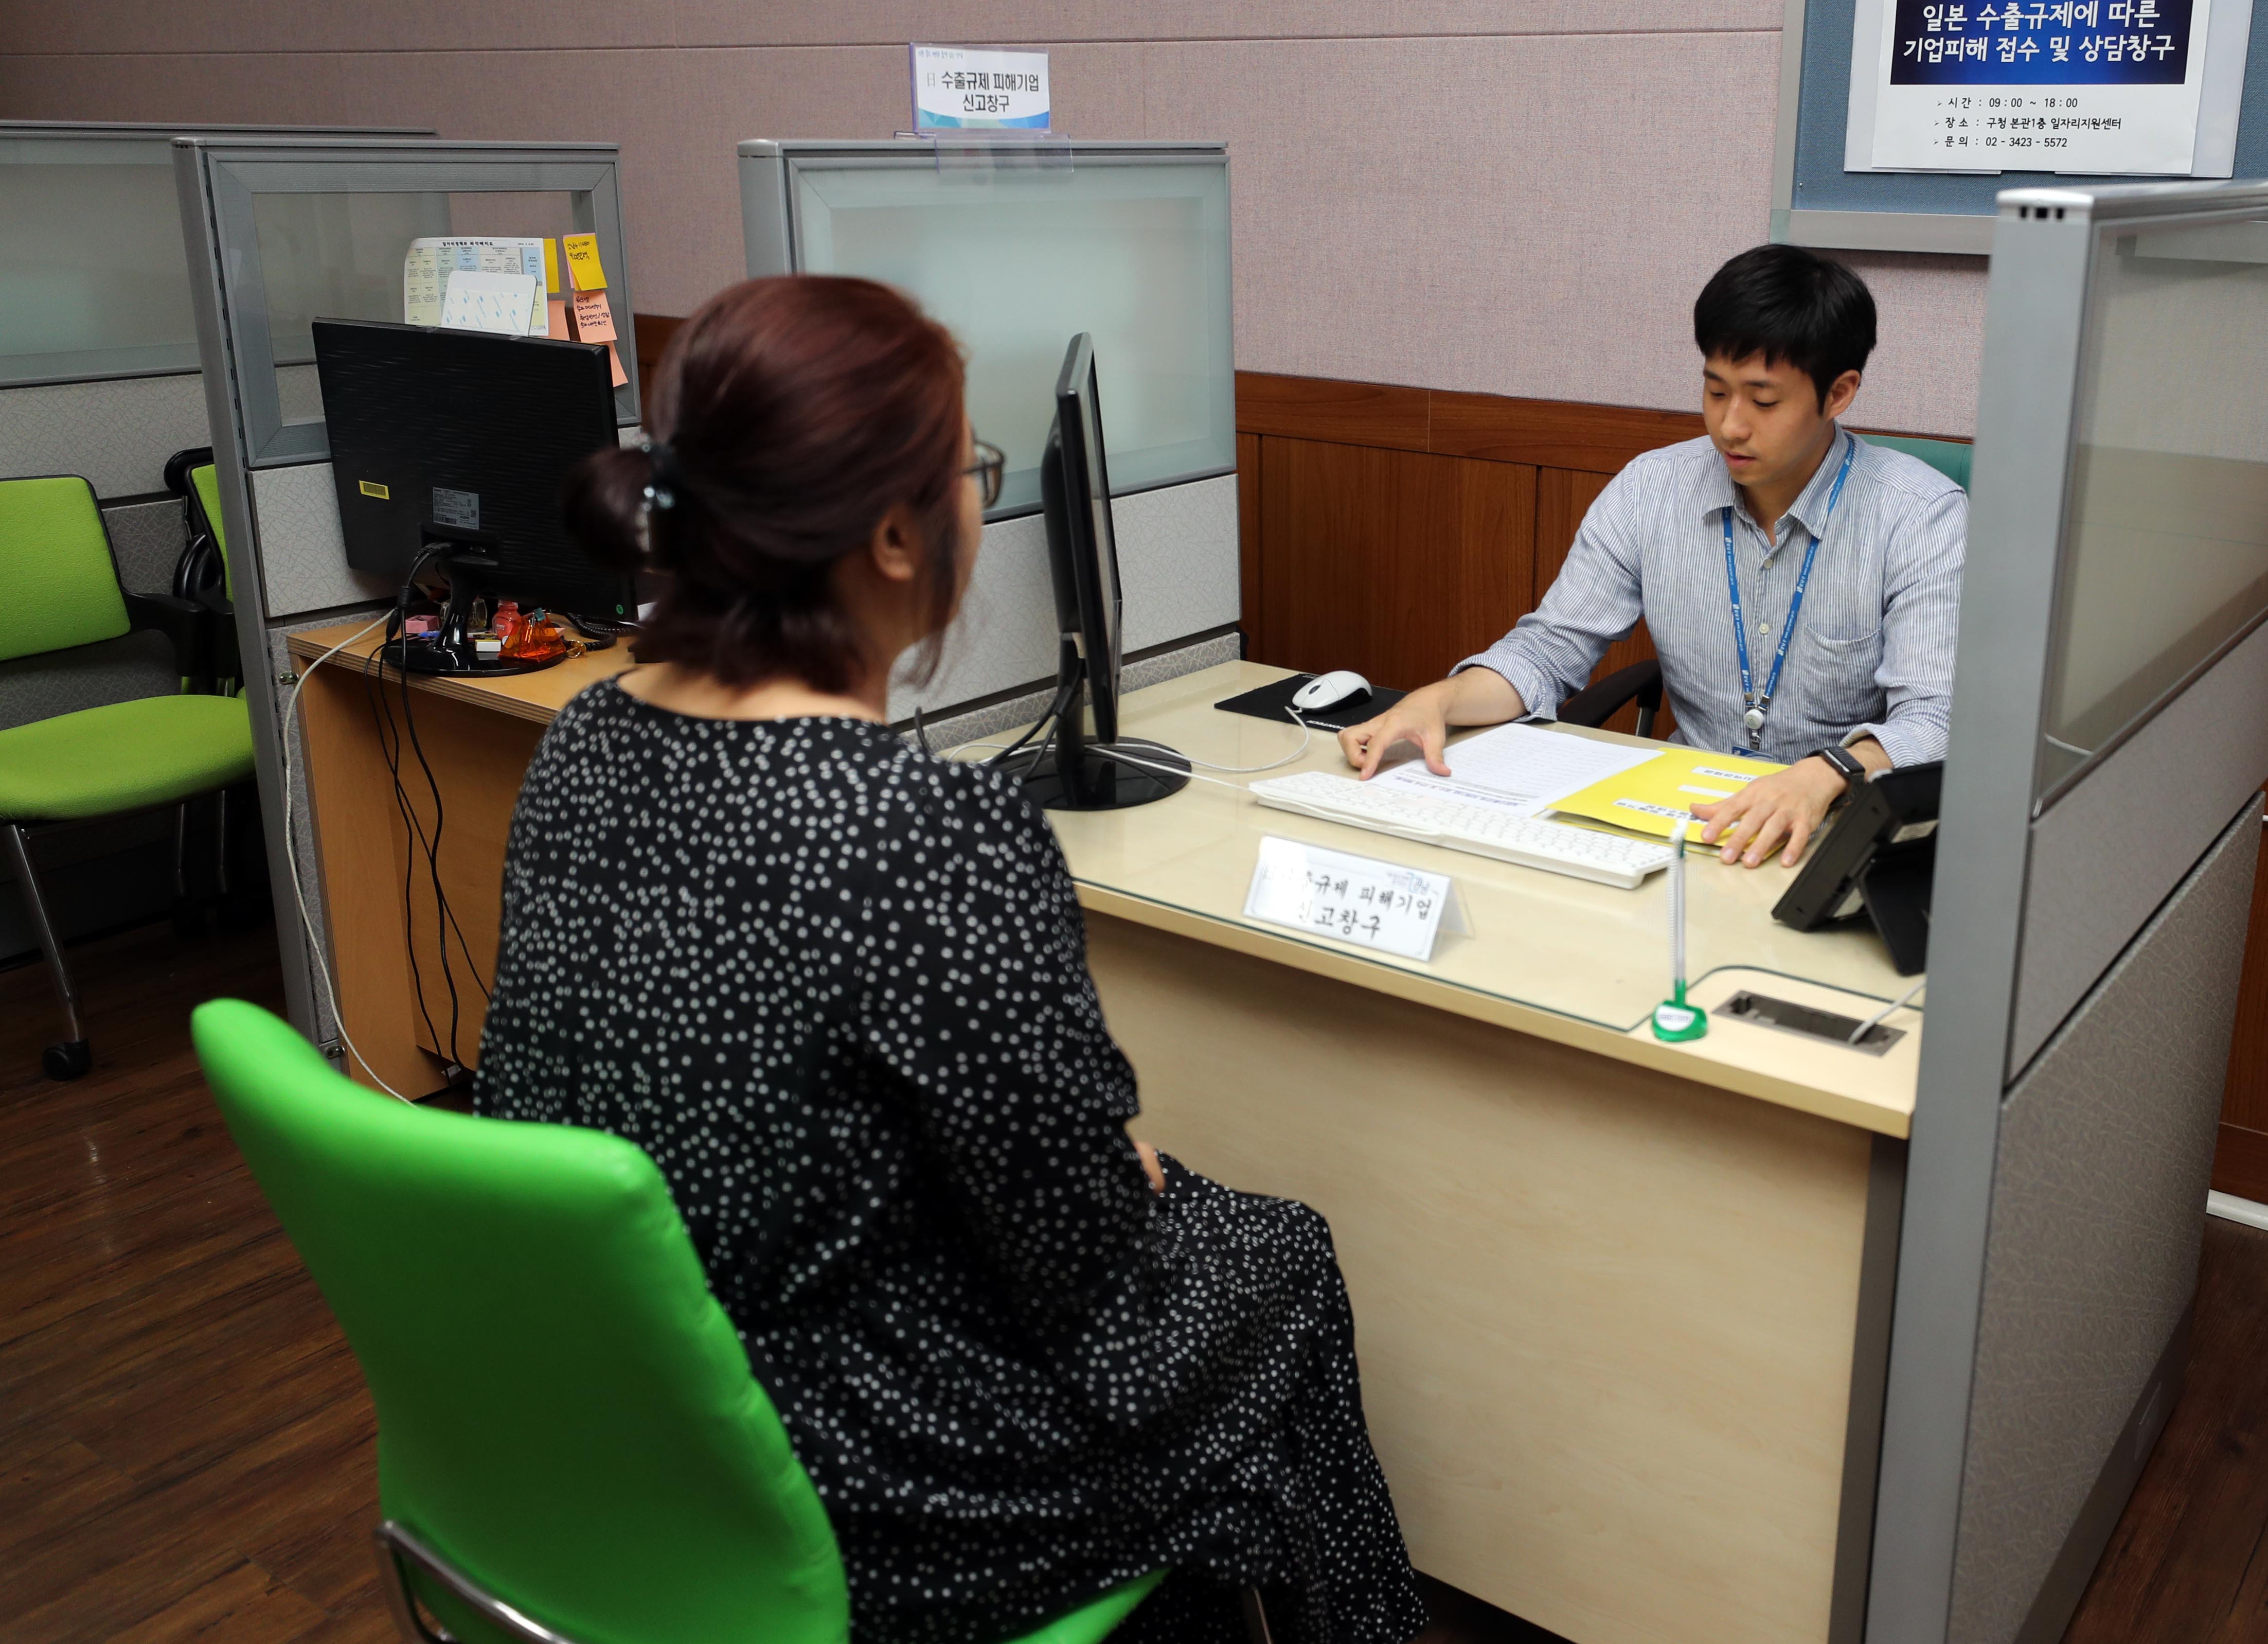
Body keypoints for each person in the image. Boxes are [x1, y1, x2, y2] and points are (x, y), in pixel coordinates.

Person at [474, 275, 1425, 1644]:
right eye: (971, 471)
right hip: (858, 1483)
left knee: (1192, 1307)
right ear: (895, 535)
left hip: (622, 1413)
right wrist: (1111, 1174)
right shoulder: (924, 831)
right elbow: (1085, 1269)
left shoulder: (584, 744)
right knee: (1275, 1259)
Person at [1340, 244, 1966, 869]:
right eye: (1716, 391)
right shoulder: (1651, 488)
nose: (1730, 426)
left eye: (1764, 400)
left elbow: (1937, 718)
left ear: (1839, 393)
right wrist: (1438, 701)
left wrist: (1825, 772)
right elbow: (1548, 650)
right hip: (1681, 826)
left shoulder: (1921, 516)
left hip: (1840, 827)